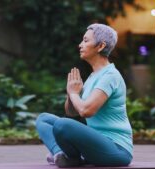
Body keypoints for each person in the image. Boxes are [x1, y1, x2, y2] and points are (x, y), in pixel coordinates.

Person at [35, 23, 133, 168]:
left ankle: (72, 157)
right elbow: (72, 112)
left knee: (62, 125)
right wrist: (71, 93)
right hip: (96, 143)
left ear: (100, 46)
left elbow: (86, 111)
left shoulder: (110, 76)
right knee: (44, 119)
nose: (80, 45)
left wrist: (75, 93)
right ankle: (62, 155)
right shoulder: (94, 76)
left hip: (117, 149)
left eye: (86, 41)